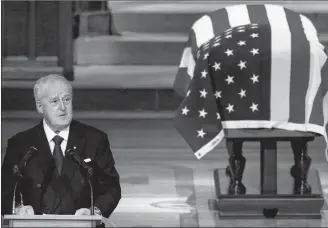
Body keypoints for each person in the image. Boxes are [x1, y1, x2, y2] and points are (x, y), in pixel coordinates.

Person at [1, 74, 121, 220]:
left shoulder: (95, 140)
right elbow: (5, 188)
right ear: (40, 107)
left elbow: (111, 187)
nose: (62, 107)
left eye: (66, 99)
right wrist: (18, 208)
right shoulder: (21, 144)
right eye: (54, 101)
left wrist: (94, 212)